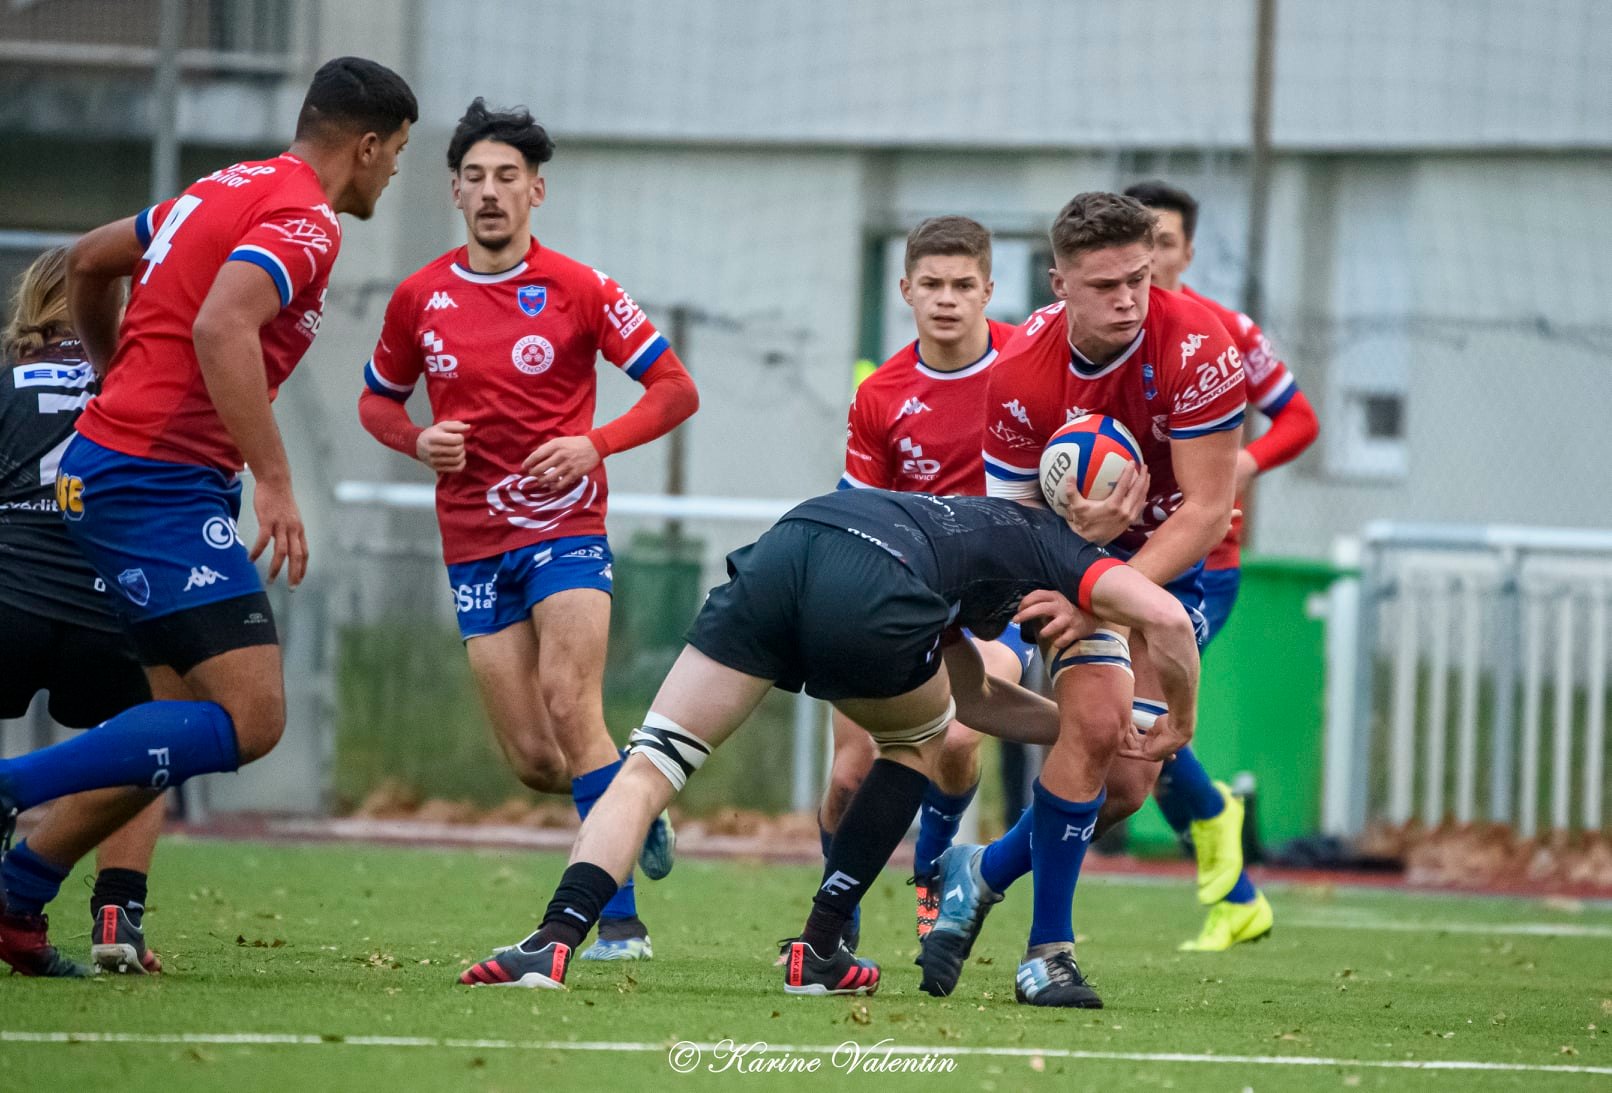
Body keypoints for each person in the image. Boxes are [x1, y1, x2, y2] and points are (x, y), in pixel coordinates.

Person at [0, 59, 417, 976]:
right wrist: (273, 477)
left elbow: (87, 261)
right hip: (154, 480)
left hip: (127, 467)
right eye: (399, 156)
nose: (396, 176)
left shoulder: (222, 188)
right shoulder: (306, 222)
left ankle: (20, 895)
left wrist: (114, 375)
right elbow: (222, 327)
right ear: (370, 144)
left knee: (171, 724)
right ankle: (11, 792)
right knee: (254, 718)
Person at [456, 488, 1201, 996]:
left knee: (653, 760)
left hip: (791, 545)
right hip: (875, 577)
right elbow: (1165, 619)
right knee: (914, 741)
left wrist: (1089, 731)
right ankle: (817, 948)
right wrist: (1179, 721)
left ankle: (552, 938)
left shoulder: (961, 527)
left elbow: (976, 694)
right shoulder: (1057, 545)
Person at [358, 100, 699, 961]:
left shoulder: (580, 288)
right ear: (454, 193)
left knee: (568, 701)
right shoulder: (419, 297)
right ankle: (629, 802)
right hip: (472, 540)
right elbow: (376, 398)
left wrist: (595, 443)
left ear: (536, 191)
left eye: (507, 177)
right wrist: (413, 438)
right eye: (474, 177)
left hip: (566, 529)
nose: (490, 192)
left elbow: (674, 389)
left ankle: (614, 918)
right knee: (532, 759)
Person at [917, 191, 1247, 1008]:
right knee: (1097, 725)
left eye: (1139, 277)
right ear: (1058, 281)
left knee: (1129, 785)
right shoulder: (1023, 371)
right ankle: (1048, 954)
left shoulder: (1200, 346)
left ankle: (980, 868)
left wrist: (1107, 589)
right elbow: (1013, 524)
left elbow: (1207, 509)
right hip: (1063, 566)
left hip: (1175, 564)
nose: (1130, 297)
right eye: (1106, 285)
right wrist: (1083, 566)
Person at [1125, 179, 1319, 951]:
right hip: (1122, 557)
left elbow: (1301, 418)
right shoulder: (1094, 335)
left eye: (1165, 243)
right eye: (1139, 245)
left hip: (1206, 565)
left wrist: (1242, 463)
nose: (1151, 258)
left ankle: (1212, 822)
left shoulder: (1224, 332)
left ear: (1185, 250)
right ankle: (1235, 889)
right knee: (1128, 720)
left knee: (1135, 717)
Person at [828, 215, 1029, 943]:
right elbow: (858, 520)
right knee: (851, 776)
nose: (947, 298)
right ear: (906, 288)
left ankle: (934, 870)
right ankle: (836, 924)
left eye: (963, 285)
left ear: (988, 290)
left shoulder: (1028, 363)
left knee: (957, 735)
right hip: (903, 597)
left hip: (998, 598)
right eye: (933, 284)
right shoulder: (880, 394)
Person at [0, 249, 160, 977]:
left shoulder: (6, 384)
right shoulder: (142, 382)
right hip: (106, 603)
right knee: (152, 734)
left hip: (9, 595)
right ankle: (116, 913)